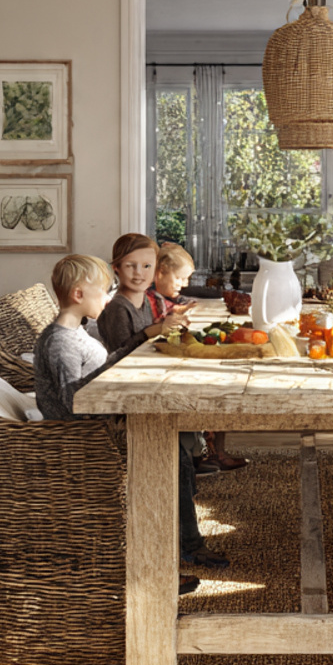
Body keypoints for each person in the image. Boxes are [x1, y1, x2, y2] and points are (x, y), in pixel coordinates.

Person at [34, 253, 203, 595]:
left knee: (178, 452)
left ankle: (182, 548)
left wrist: (143, 338)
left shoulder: (75, 333)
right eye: (103, 291)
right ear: (78, 294)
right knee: (168, 454)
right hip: (86, 440)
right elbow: (75, 402)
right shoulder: (61, 343)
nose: (109, 298)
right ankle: (158, 568)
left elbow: (104, 366)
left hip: (99, 428)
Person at [98, 233, 230, 570]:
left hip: (147, 390)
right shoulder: (117, 308)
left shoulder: (144, 303)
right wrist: (152, 331)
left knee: (185, 438)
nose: (139, 273)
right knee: (177, 454)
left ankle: (180, 522)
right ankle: (188, 544)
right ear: (116, 268)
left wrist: (166, 328)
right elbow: (118, 360)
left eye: (146, 266)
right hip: (127, 402)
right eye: (131, 266)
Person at [150, 241, 249, 473]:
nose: (184, 285)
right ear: (160, 272)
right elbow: (155, 327)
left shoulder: (164, 298)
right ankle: (205, 452)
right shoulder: (150, 299)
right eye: (179, 279)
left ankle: (211, 451)